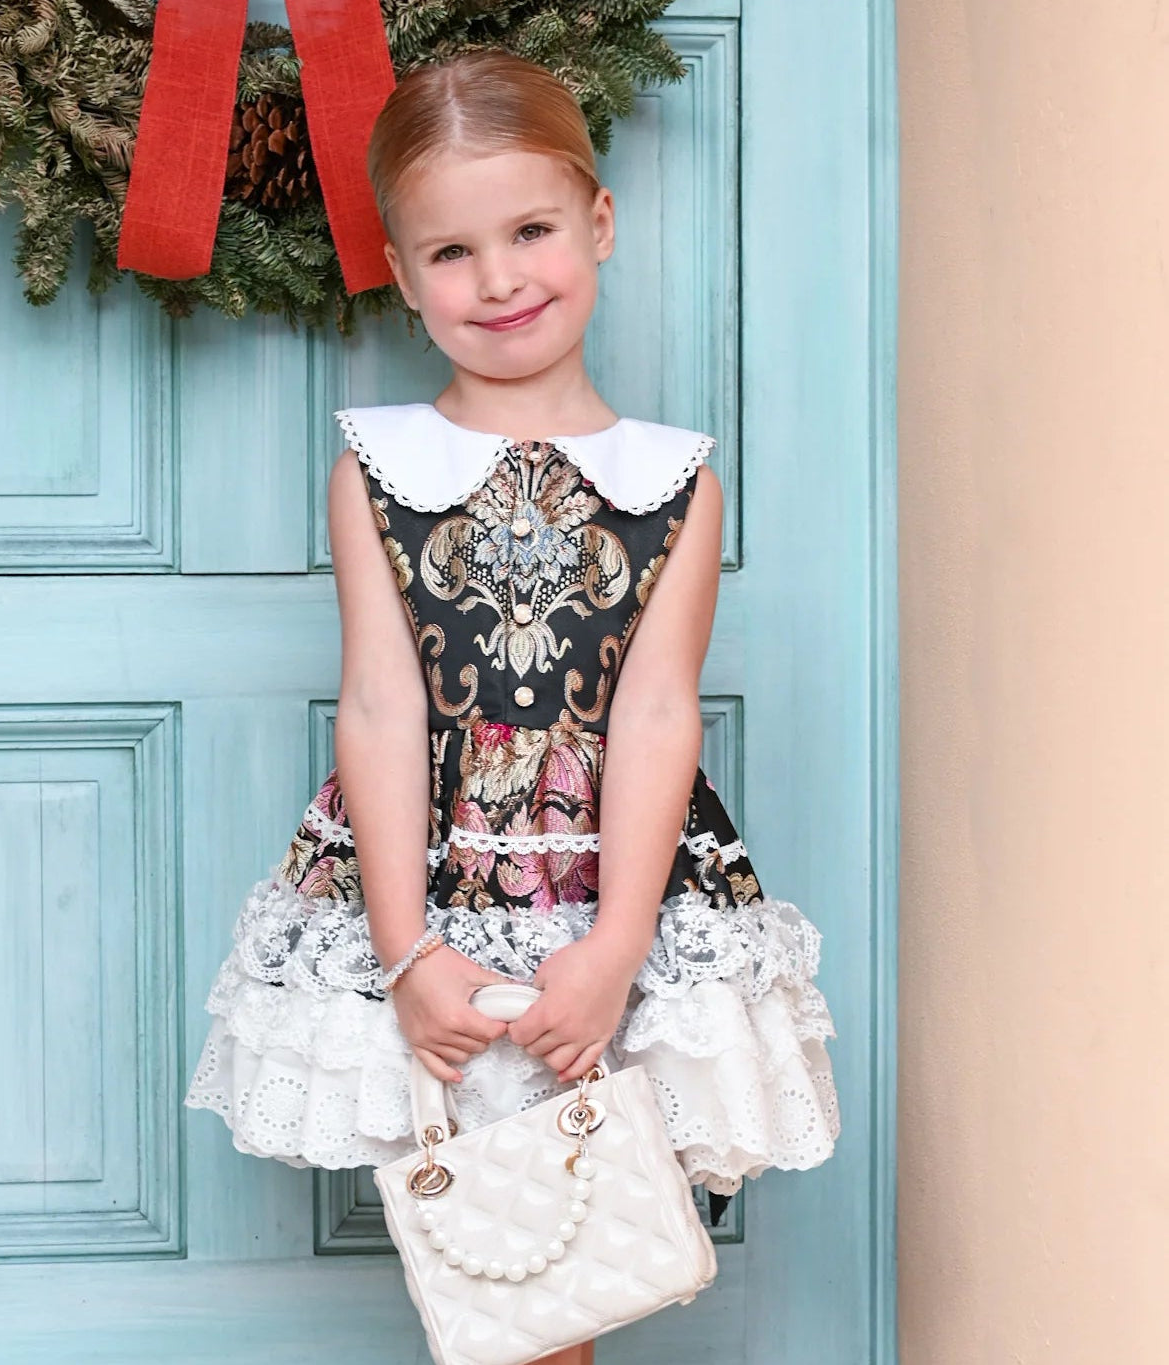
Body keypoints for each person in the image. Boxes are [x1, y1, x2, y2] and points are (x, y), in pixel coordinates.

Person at [185, 48, 841, 1365]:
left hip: (613, 899)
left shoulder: (674, 481)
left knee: (580, 1253)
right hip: (438, 900)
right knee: (495, 1251)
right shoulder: (378, 469)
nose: (497, 280)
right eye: (451, 252)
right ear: (402, 268)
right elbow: (380, 709)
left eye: (531, 232)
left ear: (598, 223)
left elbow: (655, 716)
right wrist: (406, 953)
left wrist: (614, 951)